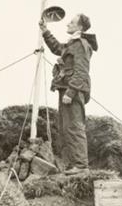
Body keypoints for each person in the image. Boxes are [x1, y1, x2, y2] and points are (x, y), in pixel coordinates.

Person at [40, 13, 97, 175]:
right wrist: (45, 31)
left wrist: (71, 92)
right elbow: (58, 49)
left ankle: (81, 165)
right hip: (66, 89)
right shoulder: (73, 44)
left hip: (73, 90)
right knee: (67, 127)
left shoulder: (81, 44)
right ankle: (74, 164)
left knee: (74, 126)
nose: (67, 25)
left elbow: (81, 72)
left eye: (71, 23)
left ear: (79, 27)